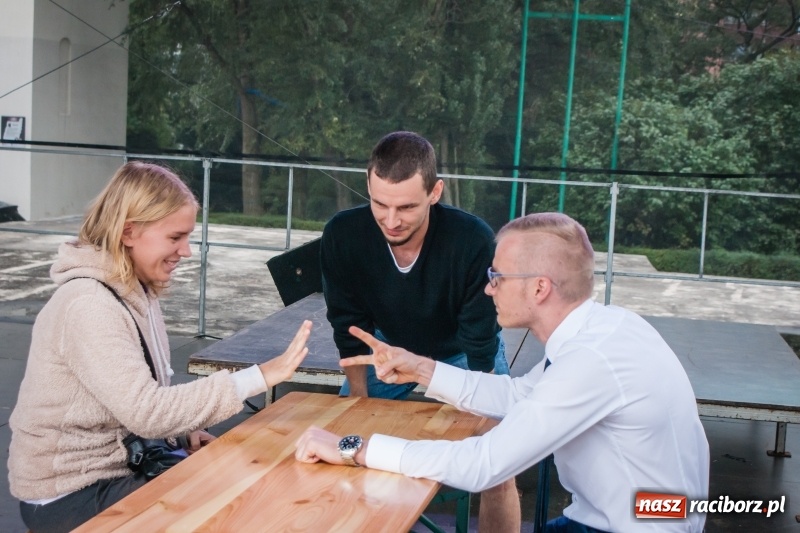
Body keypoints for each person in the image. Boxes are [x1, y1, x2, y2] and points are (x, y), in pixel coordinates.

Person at [297, 212, 710, 533]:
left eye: (496, 277)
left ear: (539, 288)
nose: (487, 288)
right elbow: (519, 396)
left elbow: (484, 464)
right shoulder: (607, 327)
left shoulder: (591, 362)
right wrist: (419, 368)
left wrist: (355, 448)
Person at [8, 161, 312, 533]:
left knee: (243, 476)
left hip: (117, 469)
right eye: (175, 237)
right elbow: (146, 411)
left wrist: (178, 435)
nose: (186, 251)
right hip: (69, 495)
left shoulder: (134, 292)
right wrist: (261, 376)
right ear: (129, 232)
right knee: (239, 504)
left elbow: (129, 404)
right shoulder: (89, 305)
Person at [320, 130, 519, 530]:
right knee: (341, 449)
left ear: (435, 192)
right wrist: (358, 398)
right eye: (380, 204)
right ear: (368, 187)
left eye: (407, 207)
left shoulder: (472, 240)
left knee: (499, 464)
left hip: (463, 351)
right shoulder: (344, 234)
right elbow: (348, 325)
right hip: (387, 351)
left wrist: (487, 424)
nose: (391, 221)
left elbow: (480, 338)